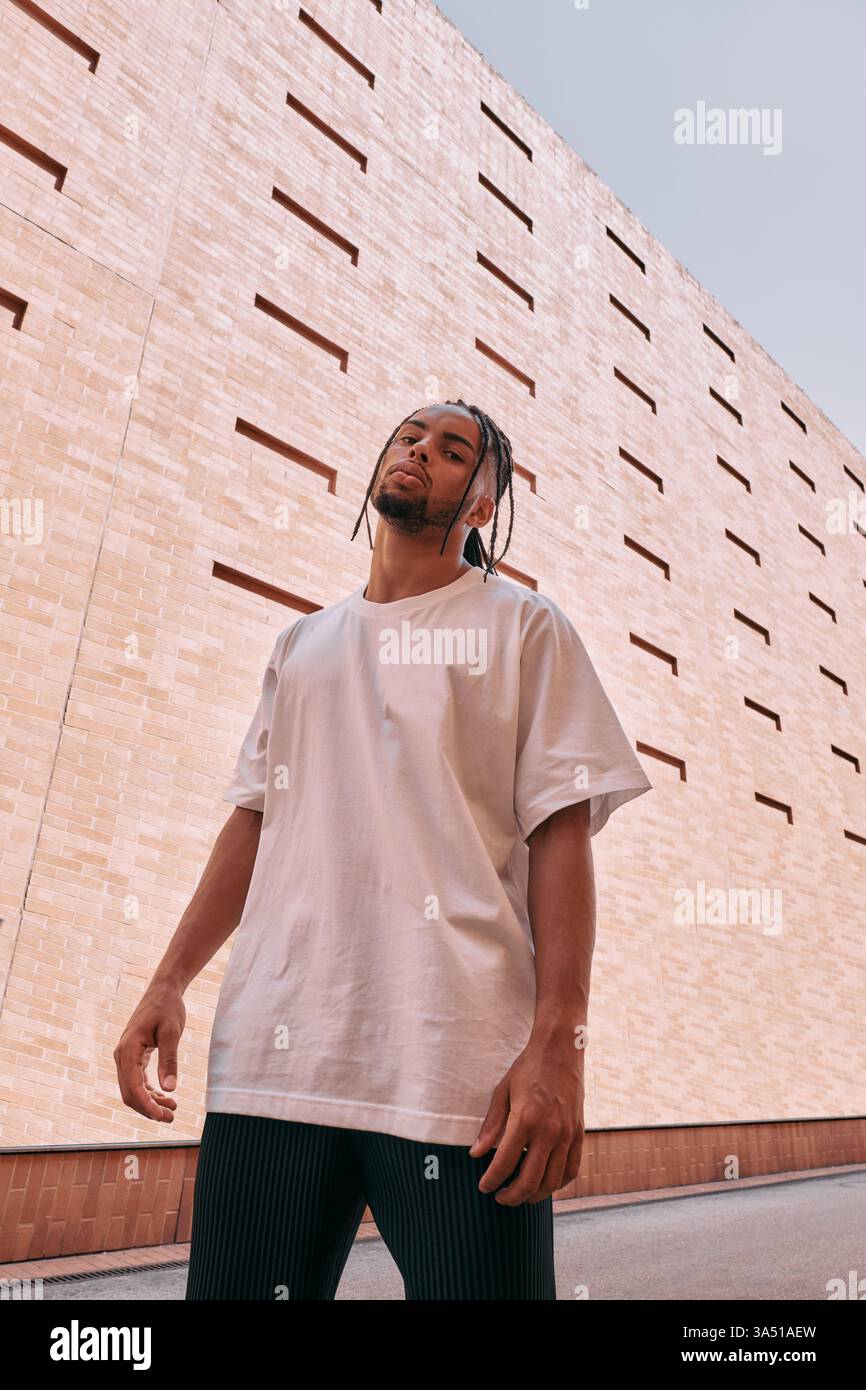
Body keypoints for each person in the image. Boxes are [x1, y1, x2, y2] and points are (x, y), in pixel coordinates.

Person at [114, 398, 653, 1300]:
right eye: (410, 437)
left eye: (453, 452)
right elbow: (253, 821)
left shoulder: (524, 628)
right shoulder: (302, 643)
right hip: (273, 1068)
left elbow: (562, 833)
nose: (420, 453)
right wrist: (169, 979)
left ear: (482, 504)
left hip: (460, 1075)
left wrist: (560, 1045)